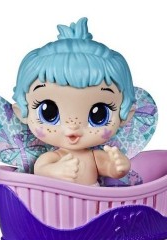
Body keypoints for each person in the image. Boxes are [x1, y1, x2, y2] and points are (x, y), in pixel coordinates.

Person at [12, 18, 136, 185]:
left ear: (125, 115)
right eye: (49, 113)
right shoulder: (52, 157)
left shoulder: (95, 157)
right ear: (22, 112)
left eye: (99, 115)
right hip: (55, 201)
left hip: (94, 200)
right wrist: (55, 171)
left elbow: (109, 168)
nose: (73, 127)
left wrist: (119, 166)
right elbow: (41, 170)